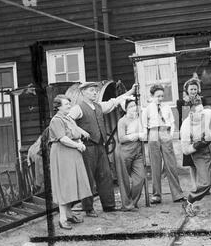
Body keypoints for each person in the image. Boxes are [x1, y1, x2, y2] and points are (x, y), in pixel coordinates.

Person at [69, 81, 138, 217]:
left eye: (95, 90)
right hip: (87, 148)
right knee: (88, 178)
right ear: (83, 93)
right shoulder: (78, 108)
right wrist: (79, 132)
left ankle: (108, 205)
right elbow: (67, 120)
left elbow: (116, 101)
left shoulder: (99, 106)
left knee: (105, 175)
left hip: (100, 147)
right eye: (91, 90)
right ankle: (88, 208)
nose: (94, 93)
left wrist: (131, 91)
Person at [49, 95, 92, 230]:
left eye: (69, 103)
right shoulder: (56, 120)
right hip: (62, 153)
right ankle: (62, 219)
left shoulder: (67, 118)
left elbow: (75, 133)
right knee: (65, 185)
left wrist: (79, 141)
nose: (69, 106)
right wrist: (77, 145)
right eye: (66, 104)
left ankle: (68, 214)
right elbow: (63, 139)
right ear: (58, 107)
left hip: (72, 153)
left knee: (72, 184)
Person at [142, 84, 185, 204]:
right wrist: (147, 136)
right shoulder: (148, 108)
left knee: (171, 164)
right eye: (158, 96)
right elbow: (145, 124)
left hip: (165, 132)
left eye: (162, 96)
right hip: (153, 133)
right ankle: (156, 195)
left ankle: (177, 194)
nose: (160, 98)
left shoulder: (166, 107)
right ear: (152, 96)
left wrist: (170, 135)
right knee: (155, 166)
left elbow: (172, 122)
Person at [176, 77, 207, 188]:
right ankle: (194, 185)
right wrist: (188, 103)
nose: (193, 91)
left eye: (195, 89)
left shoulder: (203, 100)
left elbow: (204, 116)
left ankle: (203, 184)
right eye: (191, 89)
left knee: (201, 161)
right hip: (188, 134)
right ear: (186, 90)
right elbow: (183, 118)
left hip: (200, 133)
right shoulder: (181, 102)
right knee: (191, 163)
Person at [117, 97, 146, 208]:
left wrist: (143, 134)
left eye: (134, 106)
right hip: (125, 152)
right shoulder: (122, 121)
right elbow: (121, 138)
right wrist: (136, 135)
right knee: (124, 180)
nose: (133, 108)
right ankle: (127, 205)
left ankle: (133, 202)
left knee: (140, 177)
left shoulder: (138, 119)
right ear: (125, 109)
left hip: (137, 152)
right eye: (130, 106)